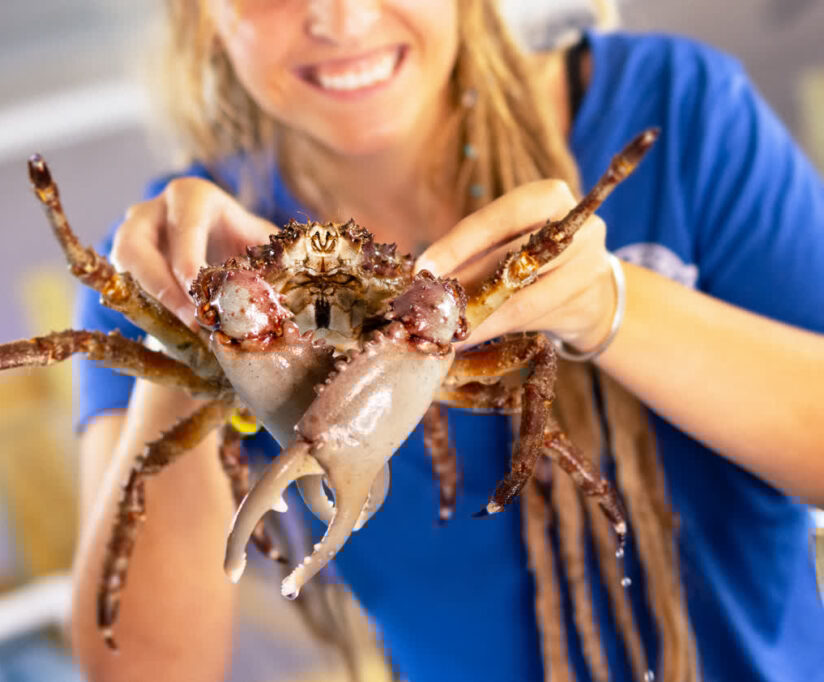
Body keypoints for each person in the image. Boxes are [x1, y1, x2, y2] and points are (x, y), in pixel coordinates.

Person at [67, 2, 824, 681]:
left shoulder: (671, 112)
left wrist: (607, 304)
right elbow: (141, 670)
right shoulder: (165, 259)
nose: (341, 19)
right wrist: (191, 337)